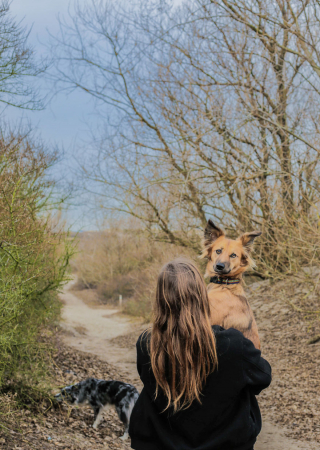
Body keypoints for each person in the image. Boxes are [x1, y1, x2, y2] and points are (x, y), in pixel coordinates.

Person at [129, 258, 271, 450]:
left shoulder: (146, 344)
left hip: (158, 443)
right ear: (201, 296)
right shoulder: (233, 344)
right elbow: (262, 377)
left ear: (160, 299)